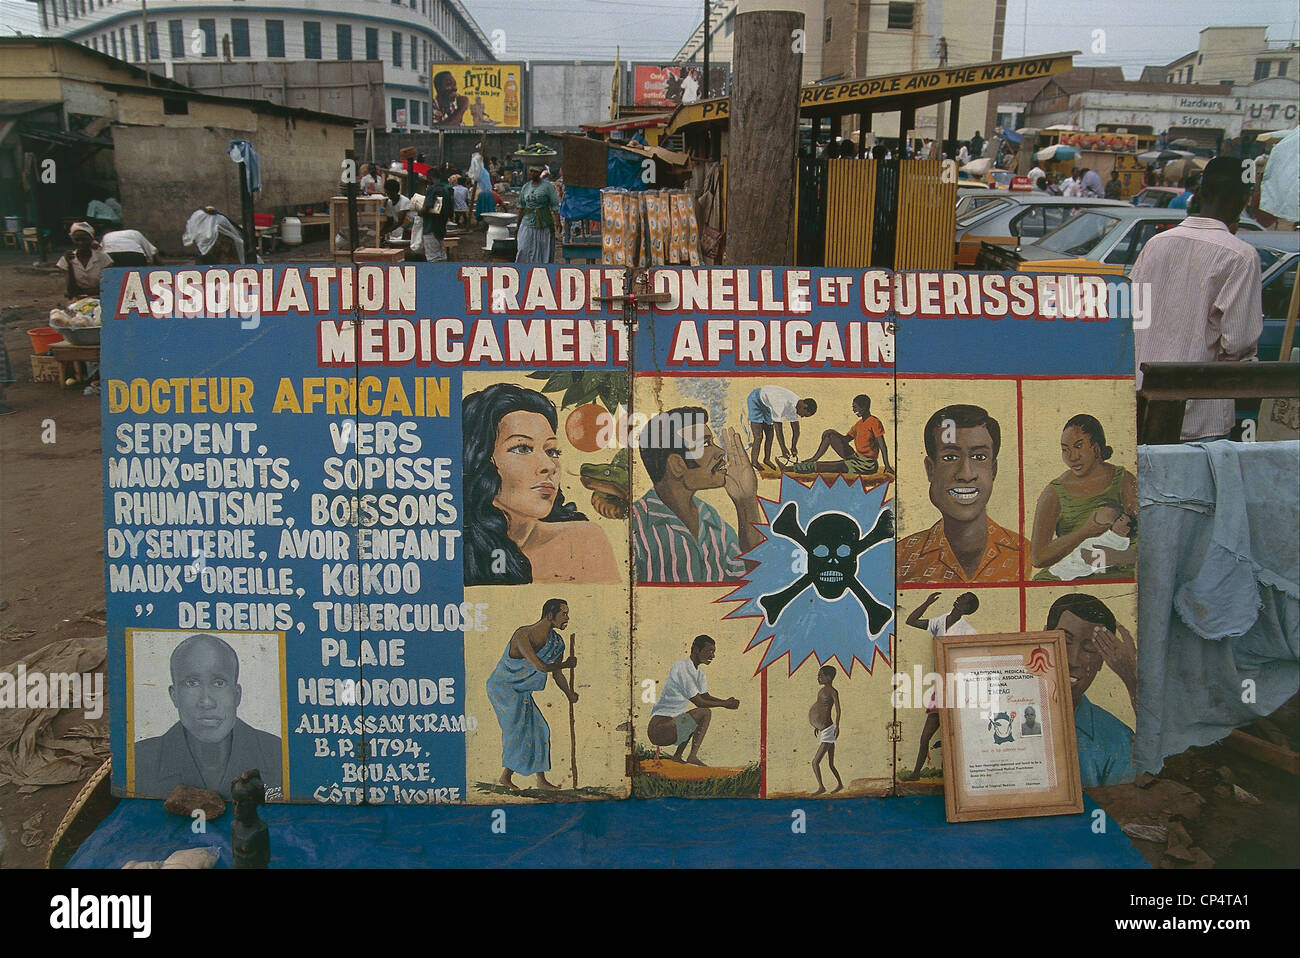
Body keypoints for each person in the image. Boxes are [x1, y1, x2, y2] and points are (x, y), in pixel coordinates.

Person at [1131, 155, 1262, 441]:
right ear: (1245, 199)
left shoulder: (1156, 245)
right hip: (1202, 414)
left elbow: (1132, 318)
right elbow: (1239, 342)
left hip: (1142, 404)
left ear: (1200, 192)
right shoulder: (1240, 256)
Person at [463, 383, 617, 586]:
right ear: (478, 460)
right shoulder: (456, 547)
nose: (549, 466)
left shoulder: (583, 542)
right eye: (522, 448)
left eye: (552, 451)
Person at [132, 633, 282, 800]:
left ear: (237, 694)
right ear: (174, 695)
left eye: (219, 683)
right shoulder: (138, 761)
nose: (206, 702)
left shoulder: (278, 754)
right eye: (192, 683)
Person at [897, 405, 1027, 583]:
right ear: (930, 469)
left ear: (993, 470)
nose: (966, 474)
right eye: (950, 458)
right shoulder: (900, 559)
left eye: (979, 457)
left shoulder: (1026, 556)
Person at [632, 406, 762, 583]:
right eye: (705, 444)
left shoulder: (713, 522)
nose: (720, 451)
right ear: (677, 465)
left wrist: (746, 500)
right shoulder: (636, 526)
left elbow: (755, 580)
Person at [1043, 594, 1137, 787]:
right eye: (1064, 641)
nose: (1072, 660)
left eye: (1091, 649)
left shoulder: (1118, 738)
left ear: (1103, 660)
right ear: (1041, 638)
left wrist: (1132, 677)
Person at [485, 598, 579, 791]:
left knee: (540, 729)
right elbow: (542, 666)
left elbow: (557, 674)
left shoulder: (556, 643)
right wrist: (566, 664)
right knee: (517, 731)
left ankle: (539, 780)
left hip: (522, 690)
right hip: (502, 688)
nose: (567, 618)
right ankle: (507, 777)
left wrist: (570, 694)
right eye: (564, 613)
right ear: (550, 615)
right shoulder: (523, 635)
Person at [1030, 414, 1137, 581]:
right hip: (1067, 576)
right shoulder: (1053, 493)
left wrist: (1110, 558)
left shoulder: (1123, 479)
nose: (1072, 457)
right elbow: (1038, 558)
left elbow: (1146, 543)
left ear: (1096, 447)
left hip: (1116, 574)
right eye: (1065, 450)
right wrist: (1086, 531)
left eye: (1078, 446)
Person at [901, 591, 979, 780]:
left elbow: (972, 662)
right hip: (940, 687)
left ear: (968, 609)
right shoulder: (940, 621)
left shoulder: (968, 632)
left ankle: (956, 775)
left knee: (954, 736)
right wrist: (926, 603)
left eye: (964, 599)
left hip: (956, 688)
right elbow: (911, 620)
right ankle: (916, 773)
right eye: (961, 596)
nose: (959, 598)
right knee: (925, 736)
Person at [646, 635, 739, 766]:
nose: (712, 656)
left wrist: (725, 701)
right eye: (709, 651)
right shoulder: (681, 667)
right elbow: (699, 702)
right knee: (704, 712)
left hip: (672, 726)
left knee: (695, 716)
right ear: (696, 649)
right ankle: (692, 756)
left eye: (714, 652)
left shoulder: (700, 673)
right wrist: (724, 704)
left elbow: (705, 696)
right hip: (658, 729)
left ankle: (677, 756)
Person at [791, 393, 890, 475]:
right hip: (856, 457)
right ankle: (814, 458)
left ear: (863, 407)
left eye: (855, 407)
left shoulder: (874, 422)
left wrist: (887, 466)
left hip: (867, 465)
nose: (853, 410)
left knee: (830, 466)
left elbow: (882, 446)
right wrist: (831, 433)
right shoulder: (859, 424)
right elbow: (845, 439)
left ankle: (791, 468)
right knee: (829, 435)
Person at [745, 385, 816, 470]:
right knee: (758, 436)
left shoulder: (796, 406)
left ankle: (766, 459)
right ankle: (754, 461)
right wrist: (783, 448)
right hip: (756, 399)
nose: (802, 417)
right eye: (804, 415)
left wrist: (793, 446)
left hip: (767, 405)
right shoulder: (782, 403)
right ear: (804, 407)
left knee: (770, 435)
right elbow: (778, 427)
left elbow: (796, 430)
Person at [515, 165, 560, 263]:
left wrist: (557, 222)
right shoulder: (526, 187)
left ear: (539, 173)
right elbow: (521, 207)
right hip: (527, 222)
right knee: (523, 249)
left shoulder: (547, 187)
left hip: (543, 223)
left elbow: (555, 206)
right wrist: (517, 226)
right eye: (531, 171)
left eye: (535, 172)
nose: (532, 174)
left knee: (542, 251)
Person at [809, 665, 843, 794]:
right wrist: (817, 725)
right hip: (824, 729)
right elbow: (820, 708)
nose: (818, 677)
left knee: (815, 762)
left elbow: (838, 709)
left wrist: (838, 726)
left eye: (821, 675)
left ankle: (821, 787)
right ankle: (840, 784)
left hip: (829, 731)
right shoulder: (822, 691)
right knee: (830, 764)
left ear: (828, 677)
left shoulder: (832, 691)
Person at [56, 222, 113, 298]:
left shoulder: (103, 258)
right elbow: (71, 291)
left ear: (91, 239)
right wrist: (70, 265)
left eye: (84, 239)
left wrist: (86, 292)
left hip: (102, 298)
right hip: (79, 299)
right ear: (72, 240)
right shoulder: (66, 259)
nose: (81, 243)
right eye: (77, 240)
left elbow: (108, 287)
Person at [419, 166, 454, 263]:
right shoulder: (446, 190)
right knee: (441, 256)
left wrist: (419, 211)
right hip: (441, 228)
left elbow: (427, 207)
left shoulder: (431, 189)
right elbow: (451, 211)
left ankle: (435, 277)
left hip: (430, 227)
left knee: (433, 258)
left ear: (429, 178)